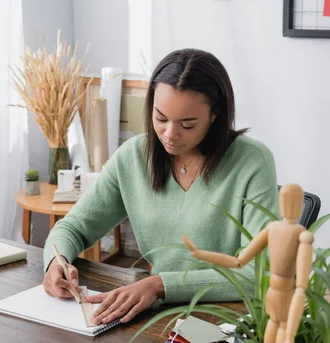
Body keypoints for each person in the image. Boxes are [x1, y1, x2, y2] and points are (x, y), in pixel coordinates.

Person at [42, 48, 278, 326]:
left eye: (188, 125)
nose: (170, 134)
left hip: (231, 321)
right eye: (161, 118)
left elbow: (258, 274)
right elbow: (73, 228)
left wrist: (160, 285)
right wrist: (56, 262)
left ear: (215, 114)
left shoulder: (252, 161)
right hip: (161, 319)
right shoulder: (133, 157)